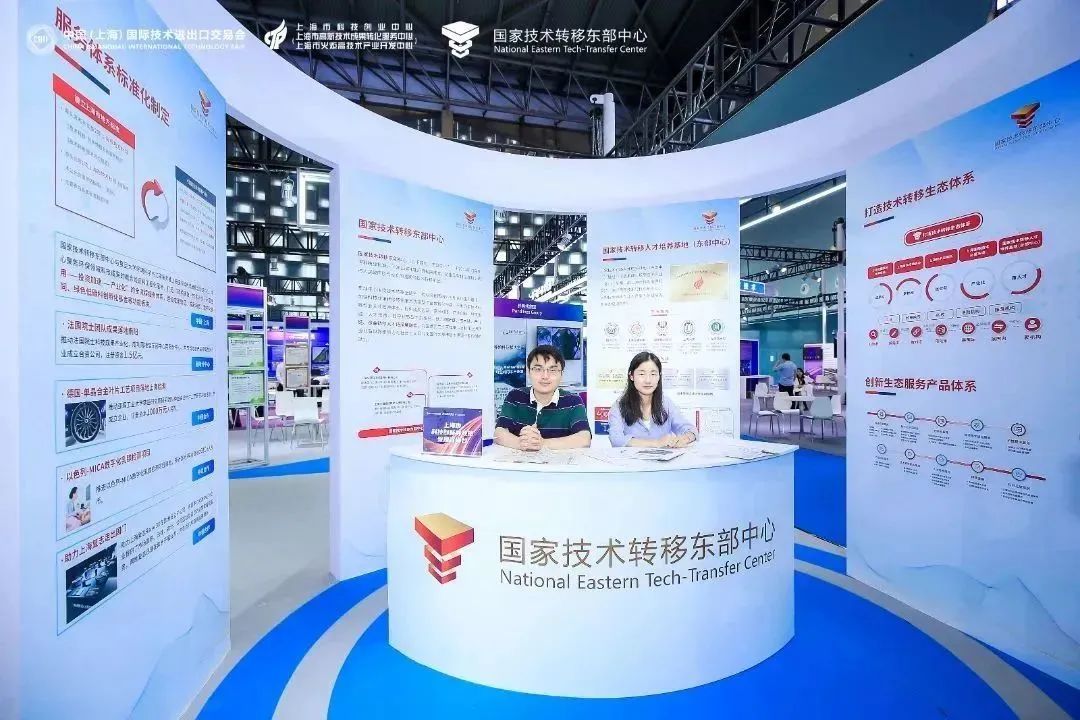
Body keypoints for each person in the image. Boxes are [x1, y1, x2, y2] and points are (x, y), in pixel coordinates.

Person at [495, 345, 592, 452]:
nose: (545, 376)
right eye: (538, 369)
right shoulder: (515, 396)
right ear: (528, 372)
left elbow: (584, 438)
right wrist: (523, 443)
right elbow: (499, 433)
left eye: (552, 370)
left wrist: (542, 443)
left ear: (561, 374)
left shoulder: (573, 401)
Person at [607, 352, 697, 448]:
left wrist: (685, 438)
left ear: (659, 377)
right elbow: (616, 439)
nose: (648, 380)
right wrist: (656, 443)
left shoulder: (666, 404)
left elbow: (690, 429)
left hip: (664, 458)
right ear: (631, 376)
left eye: (653, 374)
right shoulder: (619, 406)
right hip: (631, 458)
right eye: (642, 374)